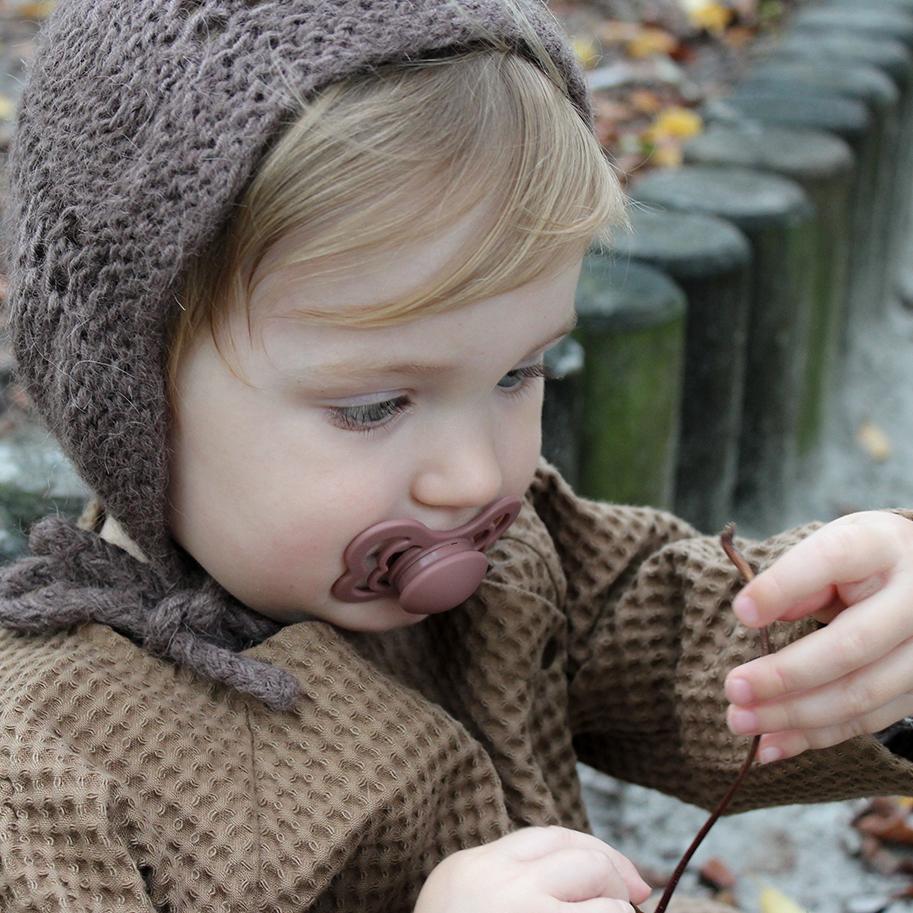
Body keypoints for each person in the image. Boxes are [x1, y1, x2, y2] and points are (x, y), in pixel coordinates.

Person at [0, 1, 911, 911]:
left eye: (519, 371)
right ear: (123, 399)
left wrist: (856, 635)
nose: (475, 476)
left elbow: (691, 648)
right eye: (372, 406)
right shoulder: (47, 770)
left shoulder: (515, 564)